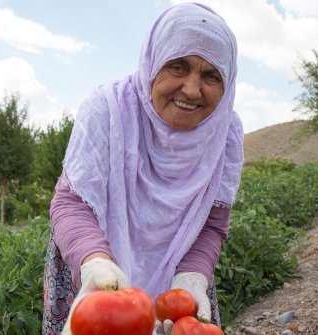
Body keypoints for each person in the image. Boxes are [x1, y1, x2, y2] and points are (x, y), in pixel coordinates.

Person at [42, 3, 243, 334]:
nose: (192, 89)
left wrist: (192, 275)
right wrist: (95, 264)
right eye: (177, 67)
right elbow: (71, 203)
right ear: (153, 61)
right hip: (93, 267)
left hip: (178, 286)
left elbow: (212, 224)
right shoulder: (108, 109)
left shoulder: (226, 132)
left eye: (211, 76)